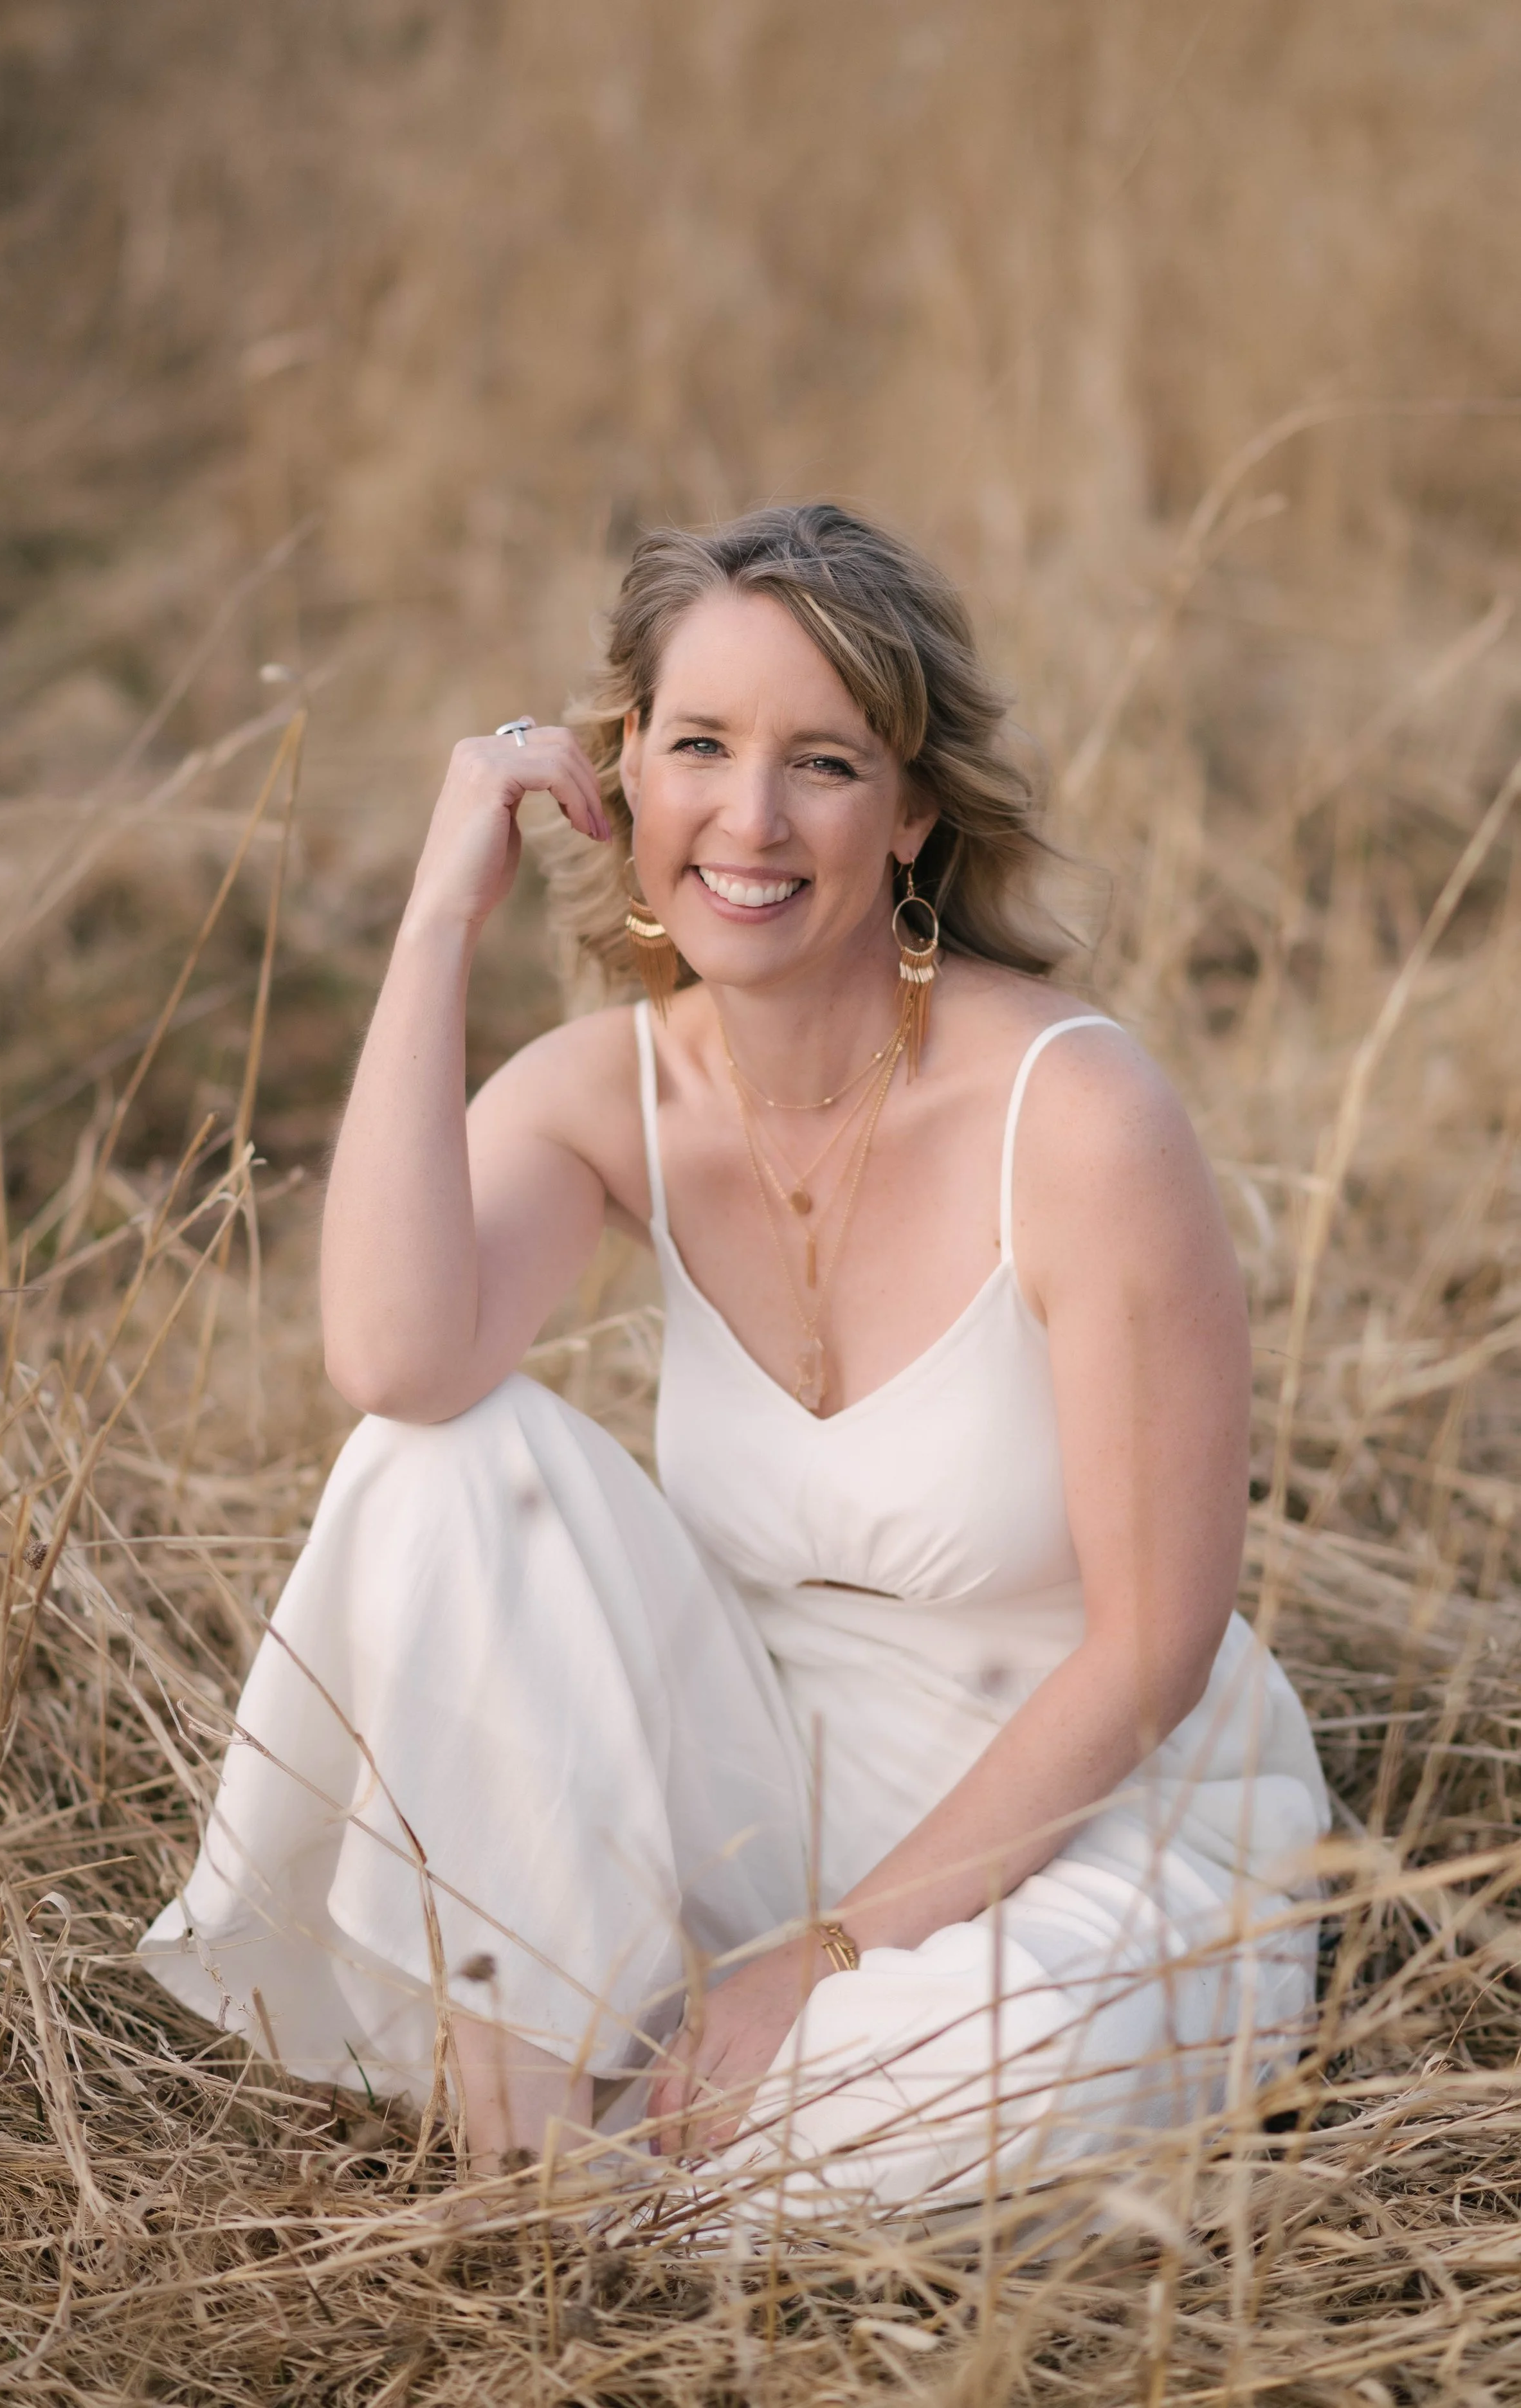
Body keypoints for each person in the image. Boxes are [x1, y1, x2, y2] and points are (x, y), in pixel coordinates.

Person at [141, 503, 1327, 2222]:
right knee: (437, 1458)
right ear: (624, 772)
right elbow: (393, 1360)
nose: (749, 821)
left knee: (1015, 2062)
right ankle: (551, 2152)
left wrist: (820, 1965)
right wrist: (435, 922)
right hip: (760, 1780)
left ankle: (658, 2125)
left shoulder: (1075, 1116)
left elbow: (1151, 1649)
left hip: (1083, 1812)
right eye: (697, 746)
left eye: (824, 764)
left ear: (914, 808)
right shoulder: (607, 1088)